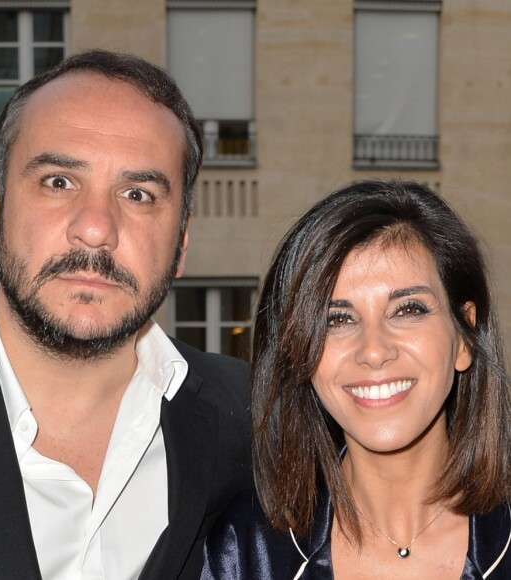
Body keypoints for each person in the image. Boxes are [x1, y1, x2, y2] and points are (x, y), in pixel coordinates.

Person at [0, 50, 251, 579]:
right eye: (59, 182)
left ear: (182, 241)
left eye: (138, 194)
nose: (97, 227)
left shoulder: (249, 419)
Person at [201, 179, 511, 579]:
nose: (374, 350)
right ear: (302, 352)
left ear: (464, 338)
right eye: (338, 319)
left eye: (408, 309)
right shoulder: (246, 550)